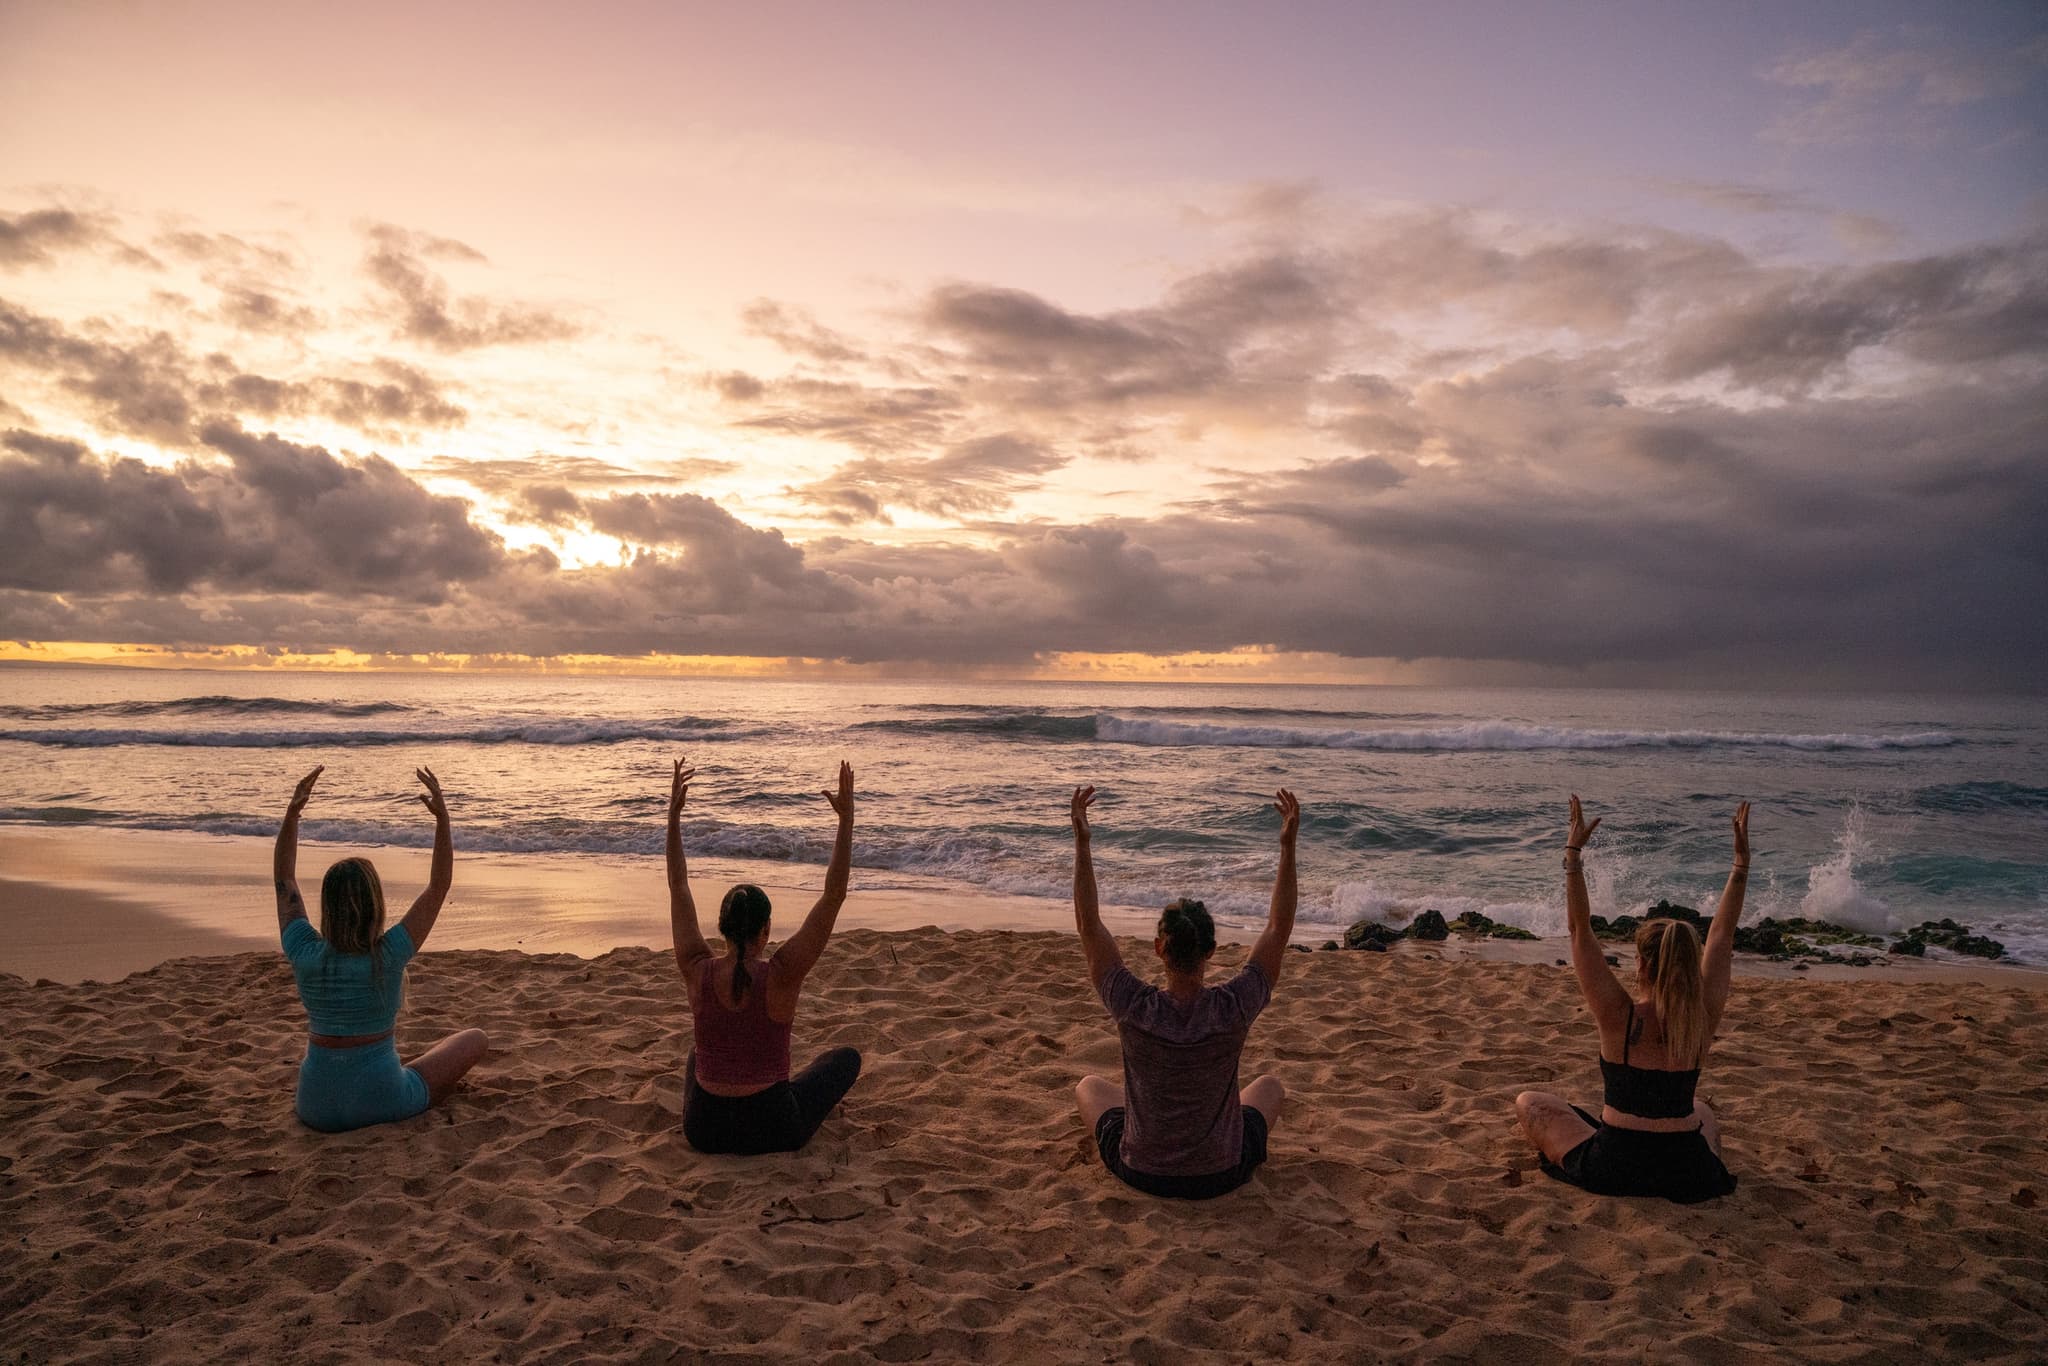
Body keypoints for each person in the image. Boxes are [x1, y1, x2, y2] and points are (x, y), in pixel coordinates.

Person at [1514, 796, 1749, 1203]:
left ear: (1641, 964)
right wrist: (1741, 864)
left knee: (1529, 1102)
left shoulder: (1619, 1016)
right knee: (1702, 1111)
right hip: (1689, 1172)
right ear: (1689, 963)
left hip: (1616, 1164)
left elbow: (1579, 931)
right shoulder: (1701, 1017)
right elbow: (1722, 937)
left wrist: (1573, 855)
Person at [1070, 784, 1297, 1199]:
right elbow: (1278, 929)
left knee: (1088, 1086)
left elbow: (1089, 926)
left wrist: (1083, 843)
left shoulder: (1132, 1005)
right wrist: (1287, 847)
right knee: (1269, 1087)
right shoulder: (1234, 1006)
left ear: (1159, 948)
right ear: (1210, 951)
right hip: (1221, 1173)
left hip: (1143, 1171)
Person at [274, 765, 488, 1132]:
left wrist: (292, 814)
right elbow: (438, 886)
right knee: (475, 1039)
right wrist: (442, 820)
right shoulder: (388, 954)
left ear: (328, 905)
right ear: (376, 903)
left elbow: (284, 878)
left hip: (314, 1106)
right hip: (384, 1100)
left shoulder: (304, 952)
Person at [668, 757, 862, 1155]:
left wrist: (673, 817)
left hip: (705, 1130)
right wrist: (846, 821)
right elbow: (834, 895)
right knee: (846, 1059)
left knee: (695, 1056)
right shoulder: (783, 973)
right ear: (766, 931)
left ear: (722, 928)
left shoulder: (696, 969)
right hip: (773, 1127)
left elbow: (678, 886)